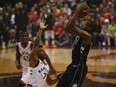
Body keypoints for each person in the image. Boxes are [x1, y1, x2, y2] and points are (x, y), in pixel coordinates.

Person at [56, 3, 93, 87]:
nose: (85, 21)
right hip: (72, 65)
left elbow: (69, 26)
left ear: (90, 28)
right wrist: (76, 12)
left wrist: (77, 12)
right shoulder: (80, 34)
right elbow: (67, 28)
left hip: (80, 67)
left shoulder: (88, 36)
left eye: (87, 22)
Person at [17, 19, 58, 87]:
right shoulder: (34, 60)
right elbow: (36, 44)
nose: (41, 49)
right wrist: (40, 30)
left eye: (42, 47)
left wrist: (58, 78)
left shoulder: (46, 66)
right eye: (39, 47)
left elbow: (50, 82)